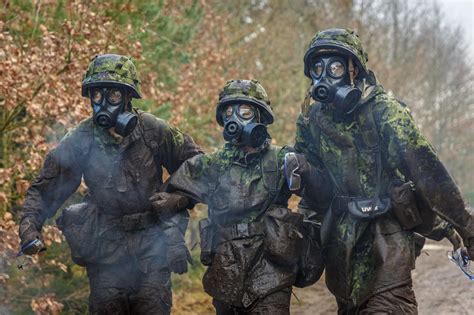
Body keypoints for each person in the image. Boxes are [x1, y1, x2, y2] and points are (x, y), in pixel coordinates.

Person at [295, 28, 474, 314]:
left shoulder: (385, 113)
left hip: (387, 236)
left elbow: (430, 176)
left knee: (389, 307)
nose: (325, 75)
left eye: (336, 66)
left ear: (355, 70)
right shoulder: (312, 120)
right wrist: (302, 173)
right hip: (341, 244)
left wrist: (468, 229)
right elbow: (316, 192)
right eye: (318, 68)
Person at [18, 54, 202, 314]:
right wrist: (29, 227)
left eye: (113, 96)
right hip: (106, 252)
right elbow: (46, 189)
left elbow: (199, 166)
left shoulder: (153, 130)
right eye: (97, 96)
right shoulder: (81, 138)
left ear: (128, 97)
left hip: (152, 247)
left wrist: (177, 199)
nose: (103, 103)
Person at [161, 79, 331, 314]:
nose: (235, 119)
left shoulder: (281, 158)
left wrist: (308, 172)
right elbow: (171, 198)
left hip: (272, 268)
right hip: (225, 270)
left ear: (260, 117)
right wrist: (173, 240)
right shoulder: (211, 164)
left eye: (245, 112)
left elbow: (320, 196)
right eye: (229, 113)